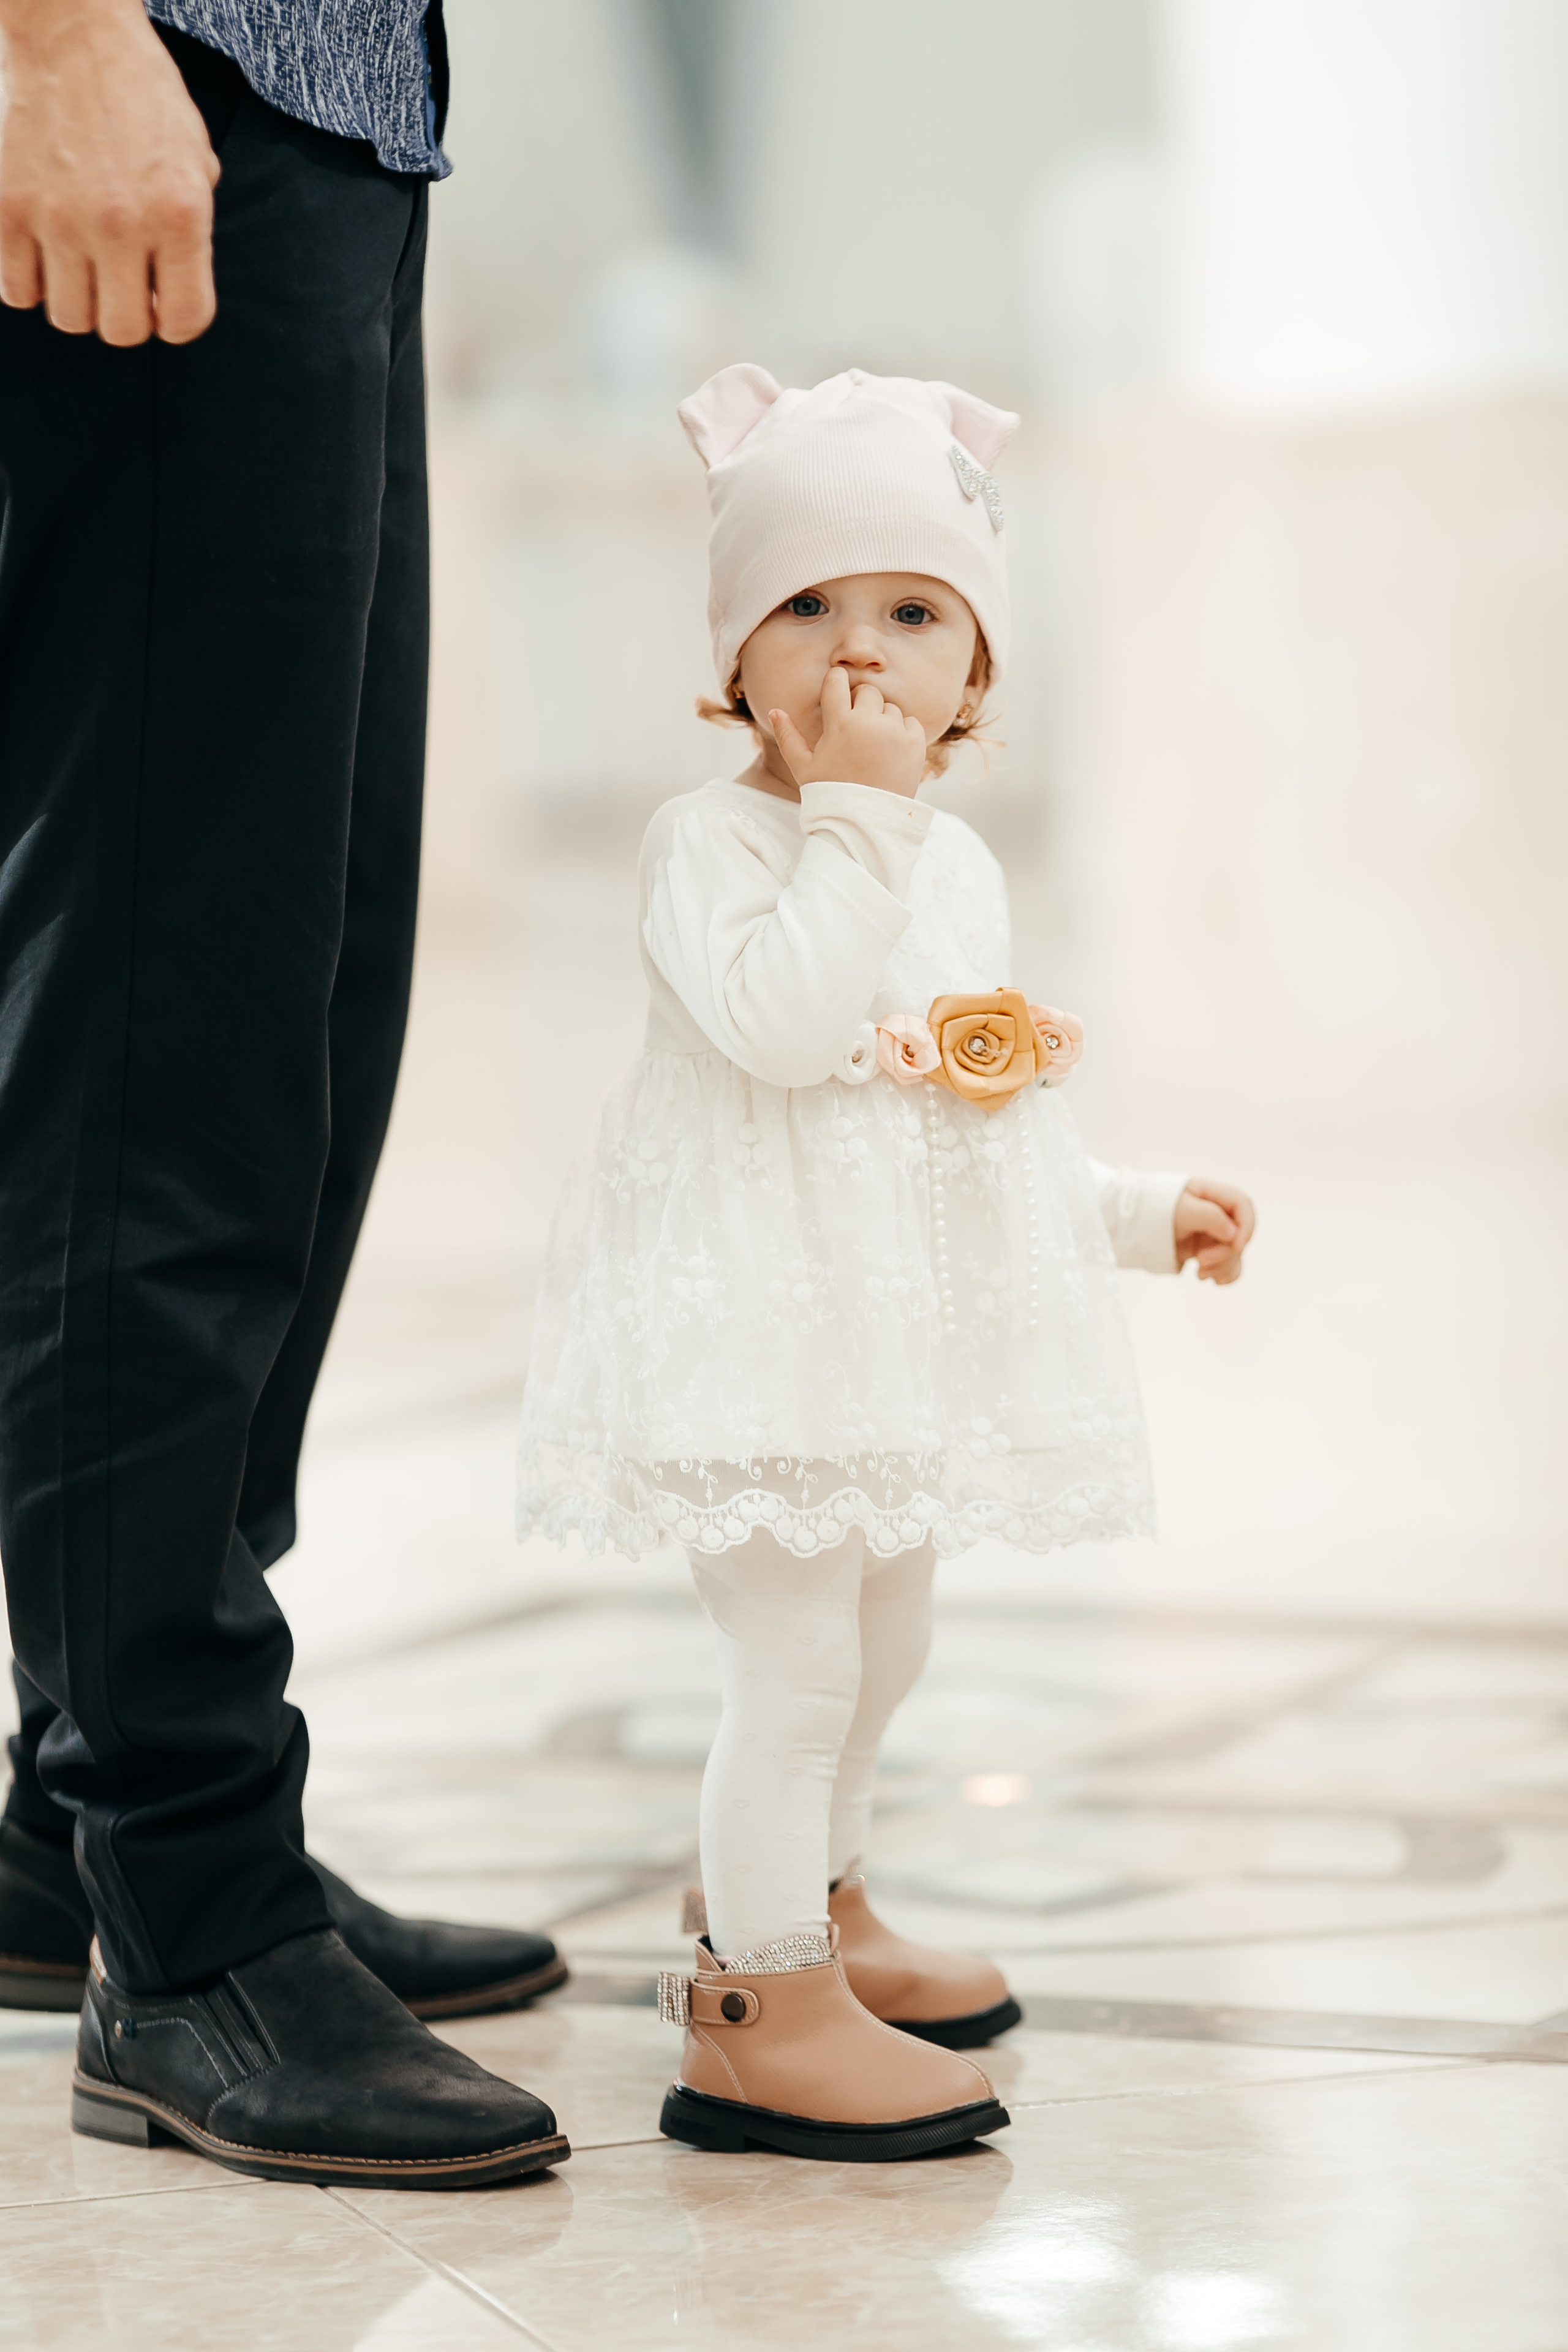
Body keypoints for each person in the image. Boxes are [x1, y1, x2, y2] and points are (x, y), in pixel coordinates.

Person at [516, 363, 1256, 2163]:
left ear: (977, 673)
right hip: (762, 1347)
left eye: (915, 612)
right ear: (733, 662)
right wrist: (852, 817)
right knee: (795, 1669)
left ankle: (822, 1910)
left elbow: (962, 1115)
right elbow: (783, 1033)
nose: (863, 656)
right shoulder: (713, 843)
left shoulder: (953, 869)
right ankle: (754, 2014)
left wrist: (1131, 1211)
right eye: (810, 609)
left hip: (883, 1349)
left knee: (890, 1640)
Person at [0, 0, 570, 2185]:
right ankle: (191, 1902)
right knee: (173, 1002)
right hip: (162, 79)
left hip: (328, 107)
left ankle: (92, 1816)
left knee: (308, 983)